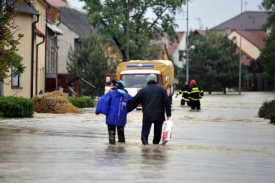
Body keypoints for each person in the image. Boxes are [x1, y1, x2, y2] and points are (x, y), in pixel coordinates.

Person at [128, 74, 171, 145]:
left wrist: (127, 109)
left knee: (144, 134)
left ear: (148, 80)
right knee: (157, 134)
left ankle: (145, 147)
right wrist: (168, 114)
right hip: (159, 116)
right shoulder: (162, 89)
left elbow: (135, 101)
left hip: (147, 115)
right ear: (156, 81)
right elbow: (167, 102)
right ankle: (156, 147)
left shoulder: (143, 90)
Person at [106, 80, 132, 145]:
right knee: (121, 137)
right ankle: (121, 151)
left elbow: (104, 101)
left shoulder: (110, 93)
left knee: (111, 136)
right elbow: (131, 104)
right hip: (121, 118)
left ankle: (111, 151)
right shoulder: (127, 95)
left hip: (111, 118)